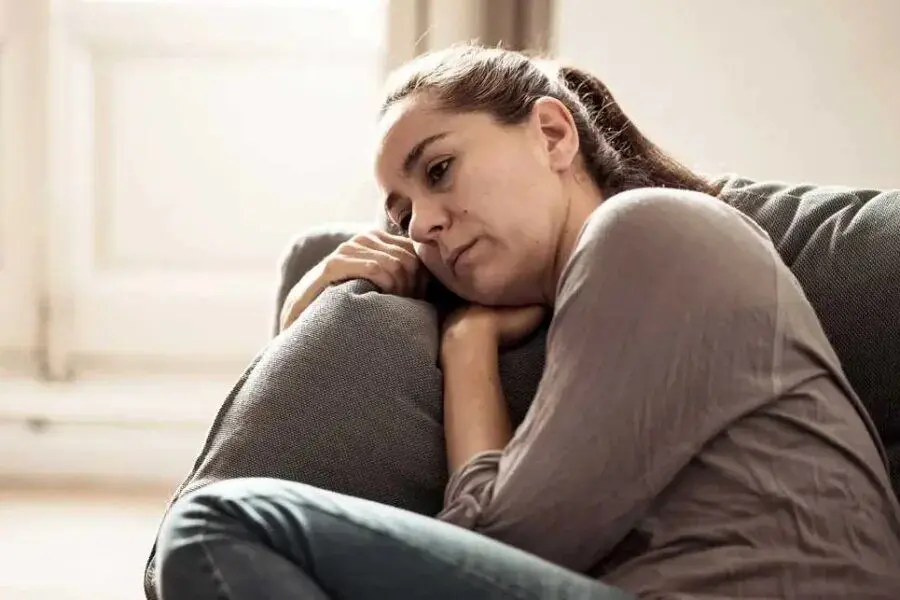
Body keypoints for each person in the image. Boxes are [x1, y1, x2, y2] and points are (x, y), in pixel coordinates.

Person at [153, 45, 900, 599]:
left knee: (220, 524)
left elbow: (500, 539)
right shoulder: (593, 299)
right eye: (402, 213)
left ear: (552, 133)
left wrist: (467, 350)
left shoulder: (650, 231)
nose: (423, 226)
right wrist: (304, 316)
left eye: (438, 170)